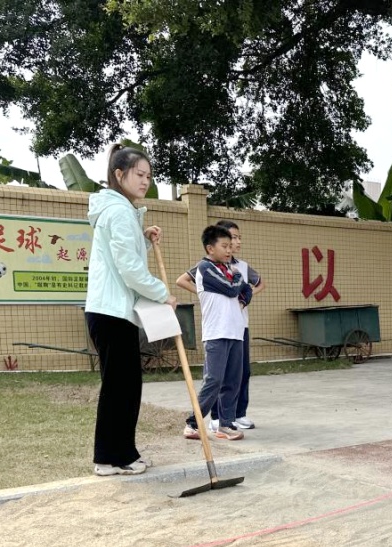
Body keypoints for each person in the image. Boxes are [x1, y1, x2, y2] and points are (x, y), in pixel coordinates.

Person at [84, 144, 176, 476]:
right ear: (119, 174)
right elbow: (129, 269)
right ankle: (112, 456)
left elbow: (122, 252)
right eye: (139, 174)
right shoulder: (118, 211)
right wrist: (162, 294)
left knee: (124, 386)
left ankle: (119, 453)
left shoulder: (120, 211)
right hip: (111, 312)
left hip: (113, 311)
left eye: (149, 176)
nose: (145, 182)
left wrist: (143, 235)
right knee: (120, 387)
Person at [175, 219, 264, 430]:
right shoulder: (206, 267)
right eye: (225, 245)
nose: (230, 249)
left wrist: (241, 291)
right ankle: (193, 423)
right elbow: (233, 288)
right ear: (210, 248)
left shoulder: (230, 268)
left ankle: (226, 423)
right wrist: (237, 280)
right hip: (217, 332)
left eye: (231, 244)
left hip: (236, 331)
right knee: (214, 380)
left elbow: (247, 290)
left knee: (233, 380)